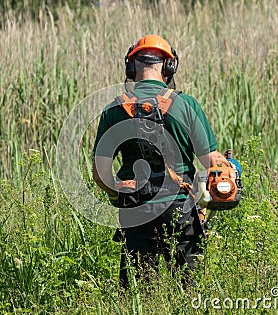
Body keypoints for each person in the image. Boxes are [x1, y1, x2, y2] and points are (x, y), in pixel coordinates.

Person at [92, 35, 230, 288]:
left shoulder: (113, 110)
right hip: (180, 207)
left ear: (131, 68)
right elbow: (213, 162)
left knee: (139, 294)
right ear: (169, 66)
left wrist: (116, 196)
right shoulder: (185, 105)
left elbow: (100, 175)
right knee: (191, 290)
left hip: (135, 210)